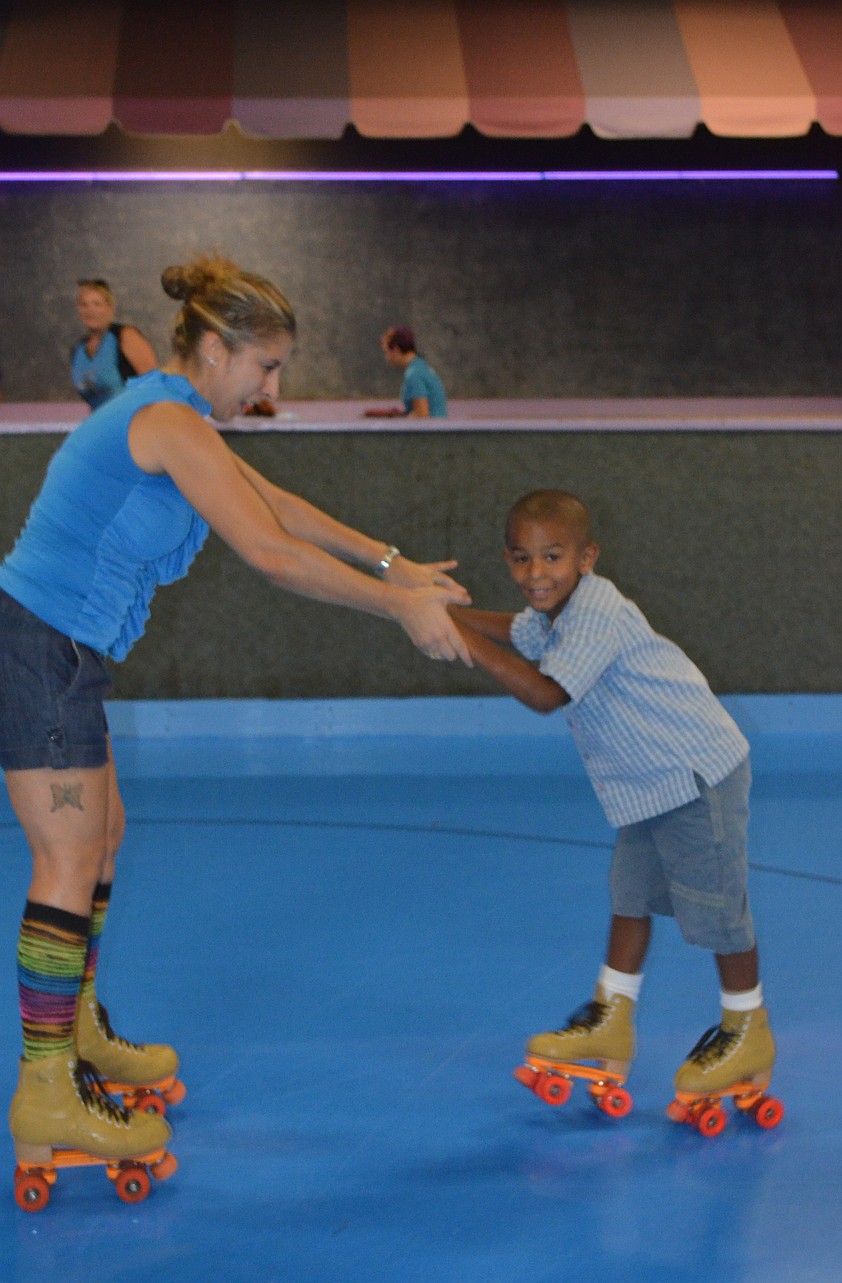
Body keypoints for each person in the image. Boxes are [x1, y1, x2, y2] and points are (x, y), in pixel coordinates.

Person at [0, 254, 472, 1181]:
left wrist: (395, 566)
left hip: (63, 655)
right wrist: (401, 611)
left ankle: (78, 1031)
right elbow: (268, 550)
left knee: (102, 840)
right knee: (64, 859)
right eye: (266, 366)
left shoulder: (181, 419)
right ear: (215, 349)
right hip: (36, 649)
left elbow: (275, 503)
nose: (273, 385)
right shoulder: (165, 418)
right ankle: (44, 1085)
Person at [449, 489, 776, 1106]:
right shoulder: (553, 613)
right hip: (647, 784)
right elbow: (518, 632)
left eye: (552, 557)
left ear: (586, 557)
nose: (536, 574)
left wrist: (462, 642)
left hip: (694, 775)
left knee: (718, 912)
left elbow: (548, 694)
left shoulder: (595, 609)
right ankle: (612, 1020)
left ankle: (747, 1029)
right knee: (629, 897)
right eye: (522, 560)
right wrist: (441, 611)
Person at [71, 278, 158, 410]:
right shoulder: (78, 350)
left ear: (110, 307)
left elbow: (155, 385)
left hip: (134, 422)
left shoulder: (125, 336)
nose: (90, 310)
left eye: (97, 304)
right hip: (102, 425)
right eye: (84, 305)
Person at [368, 327, 447, 419]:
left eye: (387, 352)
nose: (387, 358)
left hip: (431, 432)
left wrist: (399, 422)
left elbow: (422, 415)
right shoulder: (421, 367)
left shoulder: (413, 375)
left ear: (396, 349)